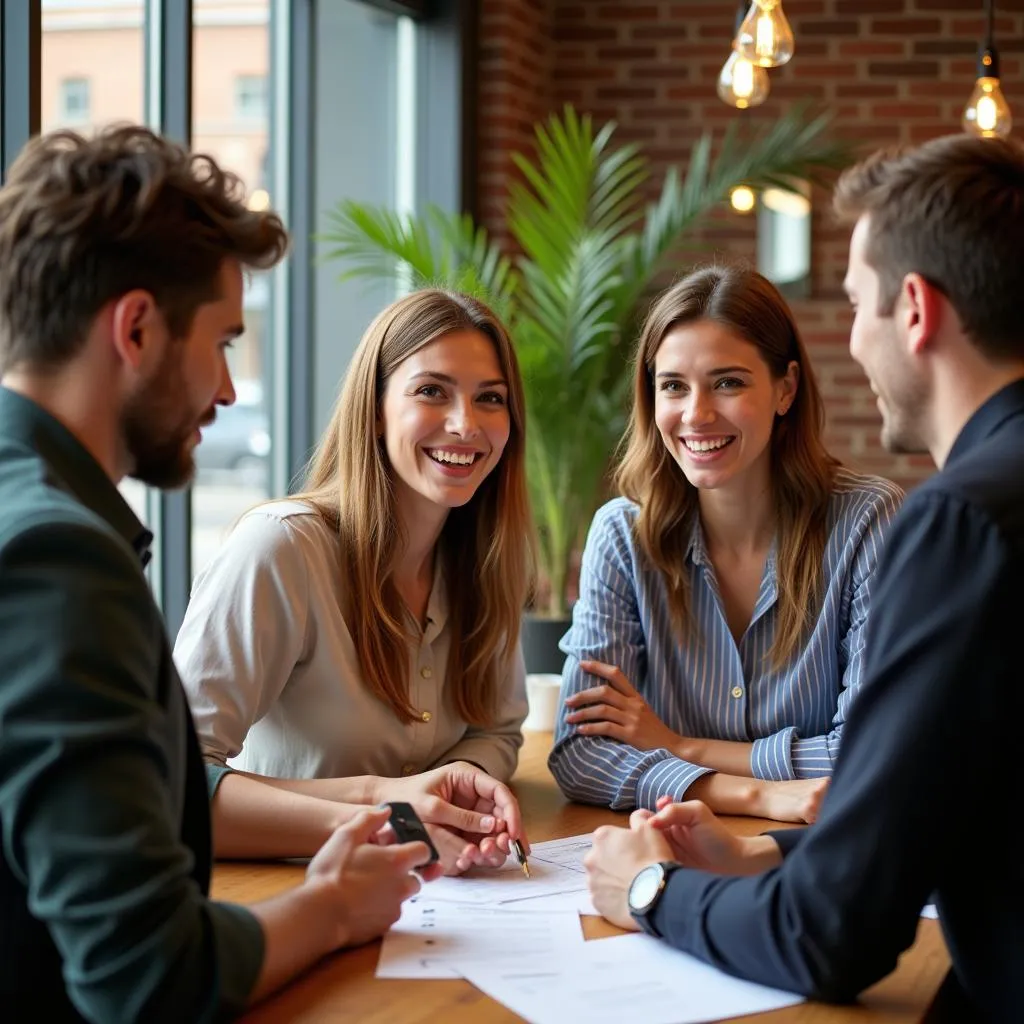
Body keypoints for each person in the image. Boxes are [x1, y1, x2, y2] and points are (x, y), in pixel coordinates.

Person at [0, 125, 442, 1022]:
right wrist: (335, 906)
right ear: (135, 328)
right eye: (224, 342)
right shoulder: (61, 561)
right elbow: (146, 974)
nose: (230, 391)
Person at [583, 133, 1024, 1022]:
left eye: (857, 305)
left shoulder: (958, 522)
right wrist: (765, 854)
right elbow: (945, 803)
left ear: (915, 309)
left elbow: (835, 934)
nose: (853, 341)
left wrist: (649, 894)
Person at [173, 287, 535, 874]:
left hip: (419, 893)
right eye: (431, 392)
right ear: (374, 408)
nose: (466, 424)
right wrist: (385, 810)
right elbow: (173, 781)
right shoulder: (281, 549)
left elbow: (497, 731)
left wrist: (460, 789)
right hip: (280, 893)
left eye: (489, 399)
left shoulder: (487, 563)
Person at [548, 266, 902, 823]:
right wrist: (748, 792)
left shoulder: (866, 521)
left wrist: (681, 747)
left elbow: (874, 750)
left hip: (821, 858)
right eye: (673, 386)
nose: (696, 414)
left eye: (728, 382)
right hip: (671, 844)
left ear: (785, 388)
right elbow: (580, 755)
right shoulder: (621, 537)